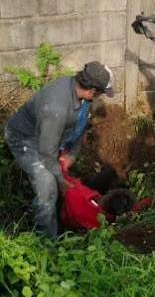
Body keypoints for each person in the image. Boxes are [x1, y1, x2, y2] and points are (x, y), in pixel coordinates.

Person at [4, 61, 115, 238]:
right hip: (25, 138)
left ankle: (47, 209)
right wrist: (61, 182)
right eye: (100, 94)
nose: (98, 97)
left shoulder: (79, 94)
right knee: (48, 184)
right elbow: (47, 151)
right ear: (92, 91)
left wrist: (71, 154)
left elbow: (80, 125)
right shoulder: (57, 107)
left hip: (48, 135)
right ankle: (46, 242)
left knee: (57, 175)